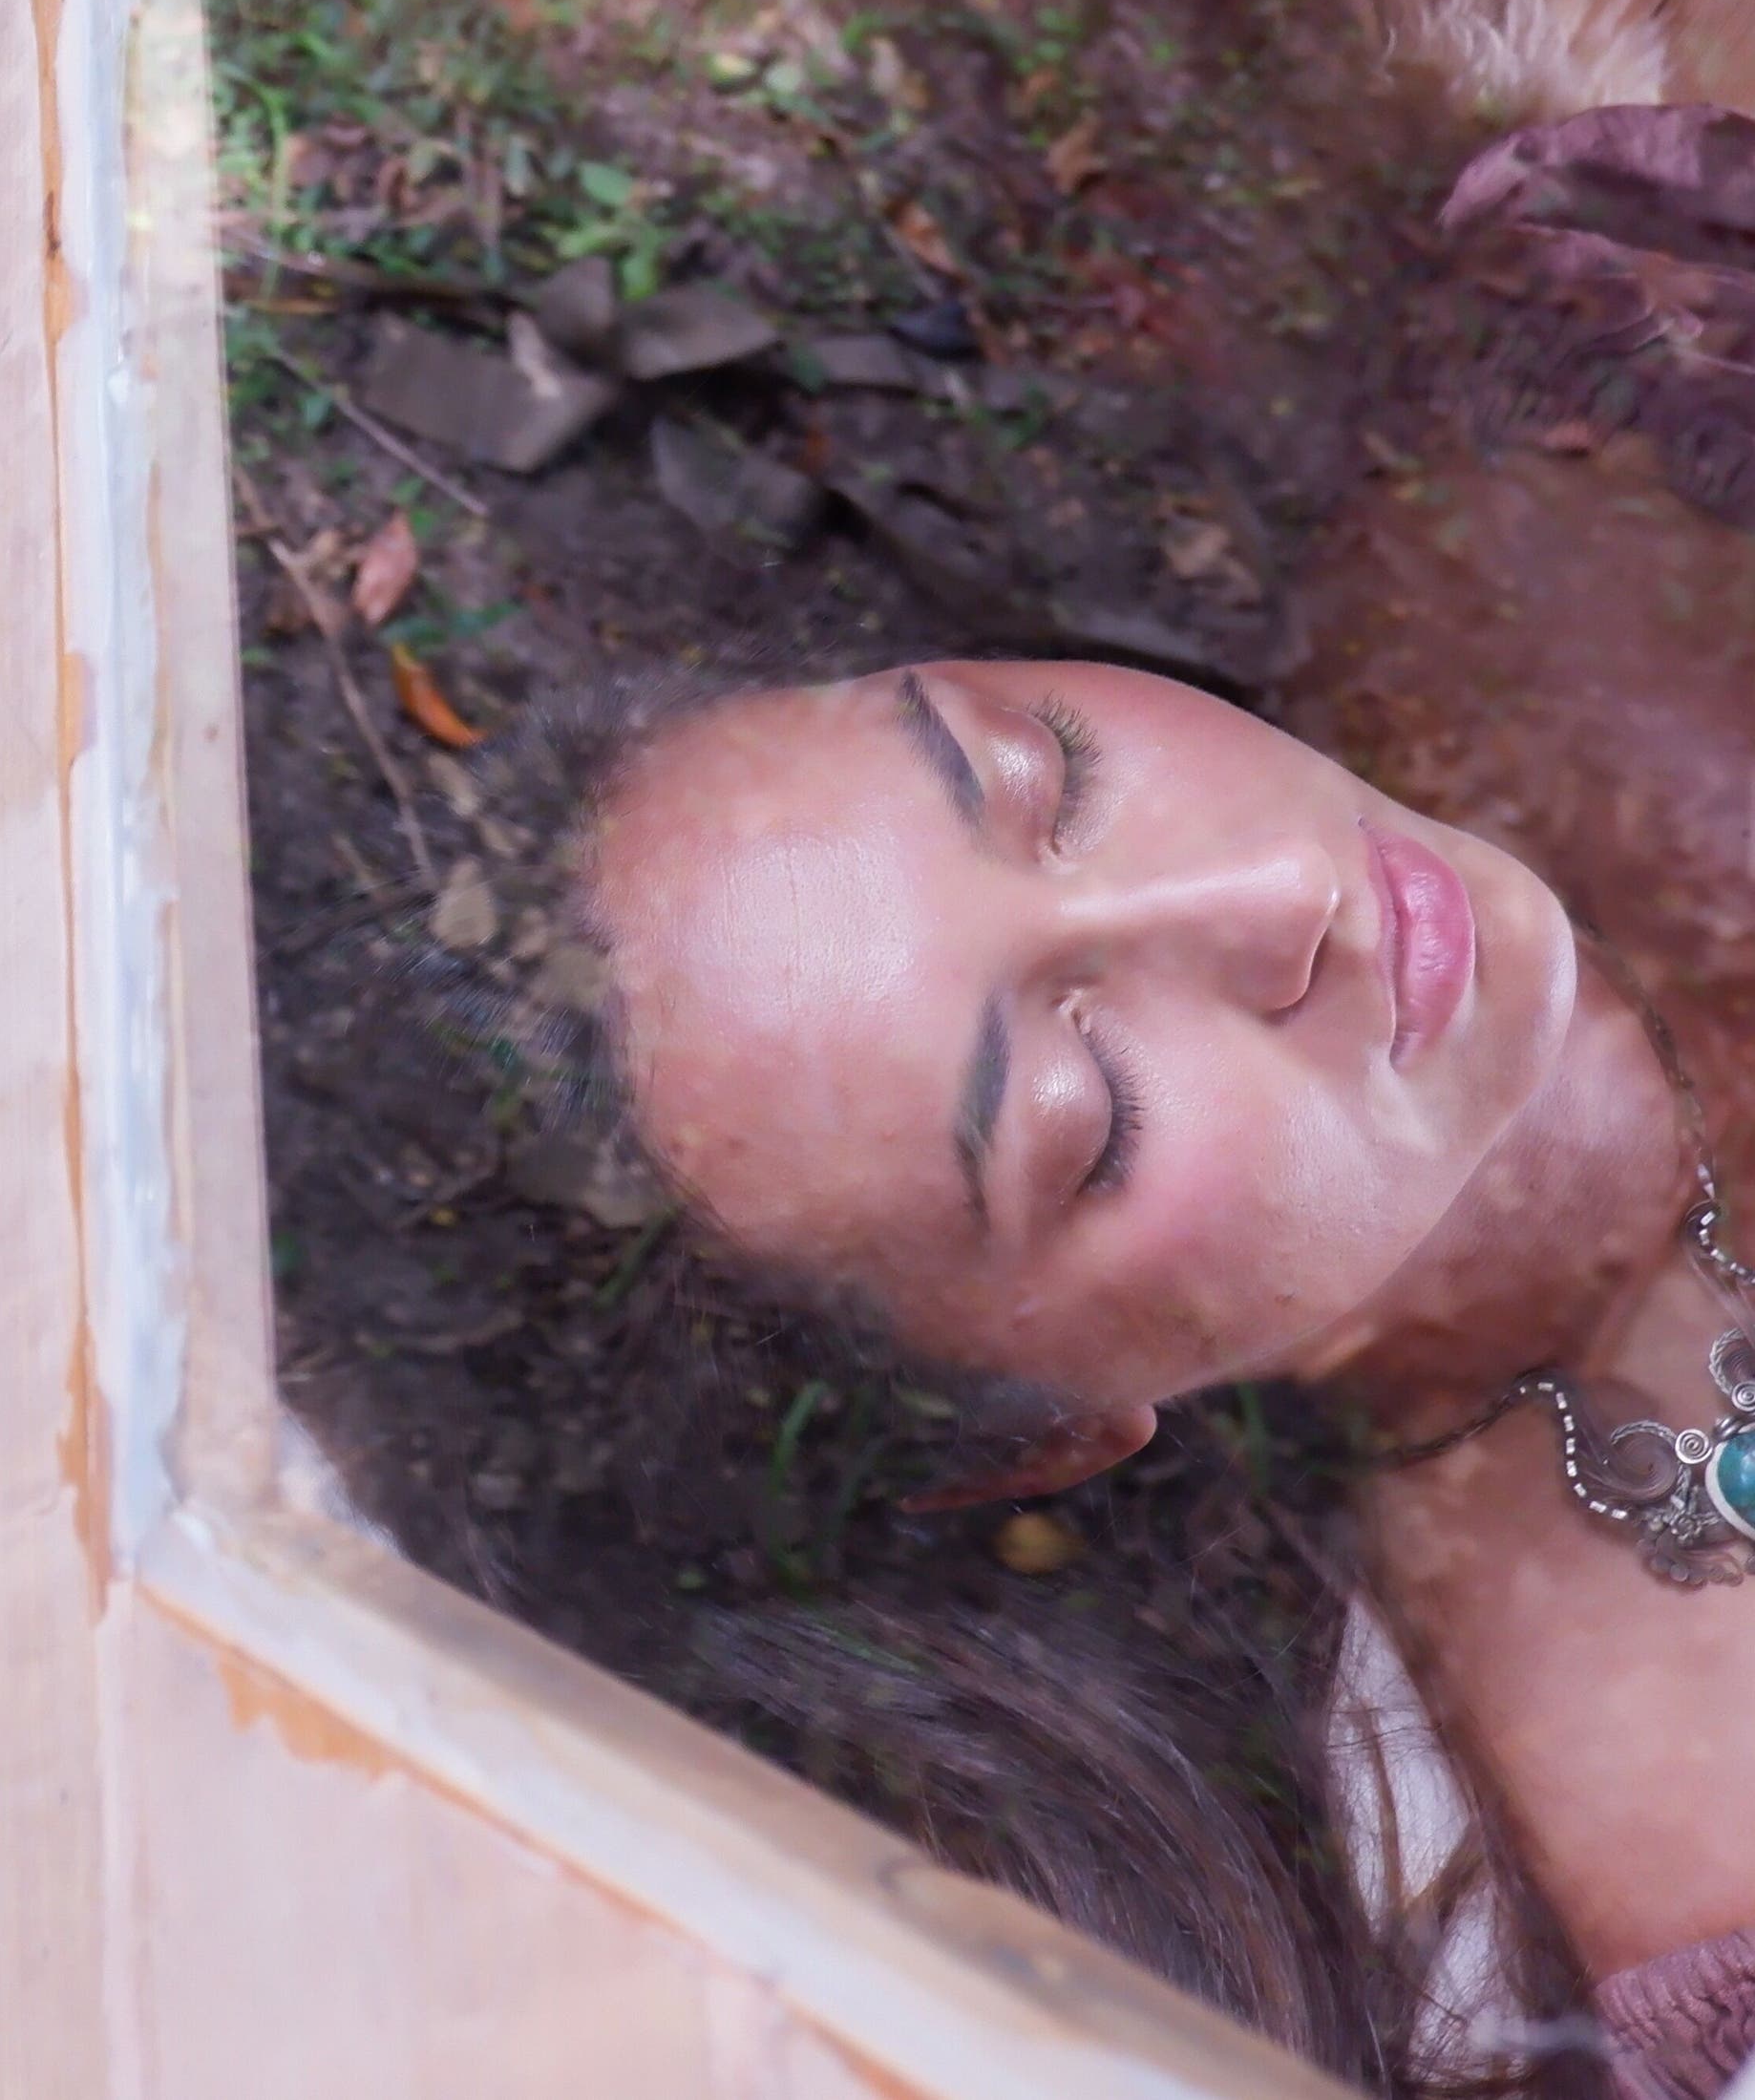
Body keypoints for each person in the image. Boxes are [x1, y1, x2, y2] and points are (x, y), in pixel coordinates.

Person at [551, 652, 1755, 2099]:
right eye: (1094, 1117)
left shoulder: (1590, 559)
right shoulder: (1538, 1941)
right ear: (1046, 1433)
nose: (1267, 900)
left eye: (1045, 769)